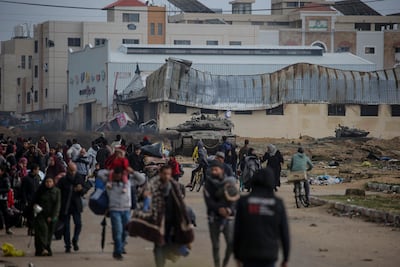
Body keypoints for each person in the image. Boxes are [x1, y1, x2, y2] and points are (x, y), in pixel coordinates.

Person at [134, 165, 192, 267]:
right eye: (164, 174)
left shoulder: (176, 187)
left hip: (172, 224)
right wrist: (144, 196)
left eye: (169, 174)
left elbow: (181, 206)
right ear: (160, 174)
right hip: (158, 223)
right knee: (158, 247)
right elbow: (140, 200)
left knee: (170, 245)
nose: (166, 176)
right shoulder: (152, 186)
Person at [234, 168, 290, 267]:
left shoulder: (244, 202)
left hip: (248, 253)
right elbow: (284, 232)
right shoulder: (277, 203)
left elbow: (237, 230)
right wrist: (285, 258)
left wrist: (236, 255)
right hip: (269, 254)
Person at [204, 161, 238, 267]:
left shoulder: (230, 183)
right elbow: (209, 202)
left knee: (231, 243)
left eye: (216, 169)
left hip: (228, 218)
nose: (214, 172)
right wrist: (219, 209)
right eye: (212, 170)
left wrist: (229, 210)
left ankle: (225, 263)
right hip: (213, 218)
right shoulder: (208, 185)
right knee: (216, 246)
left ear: (222, 171)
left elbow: (235, 200)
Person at [58, 162, 88, 253]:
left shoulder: (79, 178)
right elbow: (58, 191)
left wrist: (81, 190)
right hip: (66, 205)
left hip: (76, 205)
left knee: (78, 224)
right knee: (66, 227)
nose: (72, 172)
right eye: (71, 170)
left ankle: (75, 239)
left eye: (74, 170)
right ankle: (67, 245)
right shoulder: (63, 180)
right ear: (68, 170)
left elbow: (84, 189)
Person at [107, 167, 131, 260]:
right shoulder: (110, 184)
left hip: (126, 210)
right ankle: (117, 252)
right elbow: (101, 174)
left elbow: (141, 179)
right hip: (115, 210)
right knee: (118, 231)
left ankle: (121, 245)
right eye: (115, 175)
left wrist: (131, 171)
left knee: (125, 231)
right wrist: (111, 173)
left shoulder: (128, 183)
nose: (117, 177)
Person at [33, 176, 61, 256]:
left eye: (50, 182)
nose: (48, 184)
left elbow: (57, 205)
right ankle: (43, 248)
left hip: (52, 216)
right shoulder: (41, 191)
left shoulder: (57, 191)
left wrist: (53, 216)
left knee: (49, 233)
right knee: (43, 231)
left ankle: (46, 248)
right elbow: (35, 201)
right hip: (40, 215)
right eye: (47, 182)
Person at [21, 164, 41, 235]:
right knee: (31, 215)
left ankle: (34, 228)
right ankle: (30, 229)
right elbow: (23, 190)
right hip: (29, 199)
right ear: (34, 170)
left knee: (36, 215)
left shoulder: (37, 178)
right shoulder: (26, 179)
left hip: (36, 199)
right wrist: (25, 200)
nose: (38, 171)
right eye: (37, 169)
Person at [0, 165, 12, 235]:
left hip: (3, 198)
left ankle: (8, 228)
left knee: (5, 213)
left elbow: (7, 189)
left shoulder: (5, 179)